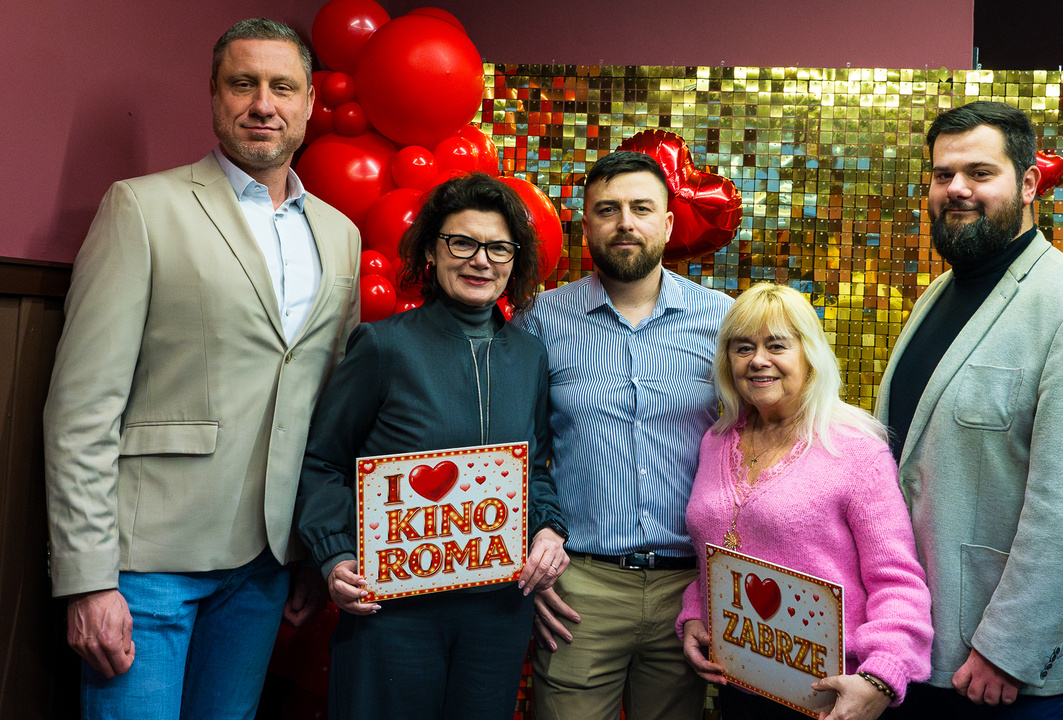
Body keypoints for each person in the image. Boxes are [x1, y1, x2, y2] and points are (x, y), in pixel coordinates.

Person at [42, 18, 357, 720]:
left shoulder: (340, 235)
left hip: (267, 565)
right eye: (243, 84)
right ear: (214, 95)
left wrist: (314, 549)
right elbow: (82, 408)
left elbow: (327, 415)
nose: (263, 104)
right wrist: (87, 579)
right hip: (146, 565)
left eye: (283, 87)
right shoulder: (141, 208)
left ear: (310, 103)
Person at [874, 101, 1063, 720]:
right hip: (922, 646)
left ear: (1028, 184)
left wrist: (1010, 649)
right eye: (943, 174)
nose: (957, 188)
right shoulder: (939, 294)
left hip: (1007, 672)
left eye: (979, 172)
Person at [292, 173, 569, 720]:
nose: (480, 260)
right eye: (461, 243)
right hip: (392, 609)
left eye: (498, 248)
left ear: (515, 261)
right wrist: (334, 555)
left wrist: (548, 528)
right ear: (431, 252)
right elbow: (322, 461)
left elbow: (532, 468)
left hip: (497, 611)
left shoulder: (530, 355)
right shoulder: (384, 346)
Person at [515, 150, 733, 720]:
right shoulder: (539, 320)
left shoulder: (722, 321)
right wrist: (530, 559)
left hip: (690, 591)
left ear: (668, 222)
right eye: (607, 210)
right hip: (578, 588)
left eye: (642, 208)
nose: (625, 223)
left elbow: (753, 444)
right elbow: (518, 450)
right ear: (585, 225)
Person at [677, 283, 933, 720]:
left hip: (833, 697)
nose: (758, 360)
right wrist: (696, 614)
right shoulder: (716, 441)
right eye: (743, 347)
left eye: (777, 345)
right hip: (740, 688)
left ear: (810, 355)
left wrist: (881, 678)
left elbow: (897, 581)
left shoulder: (855, 451)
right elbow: (716, 554)